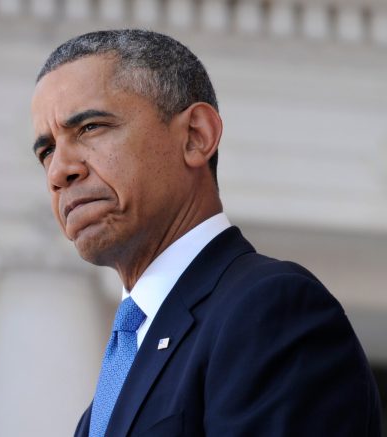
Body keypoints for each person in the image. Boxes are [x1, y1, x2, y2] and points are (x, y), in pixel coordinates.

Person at [30, 29, 382, 437]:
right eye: (46, 151)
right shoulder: (114, 381)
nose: (59, 172)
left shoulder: (269, 308)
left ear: (196, 136)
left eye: (90, 127)